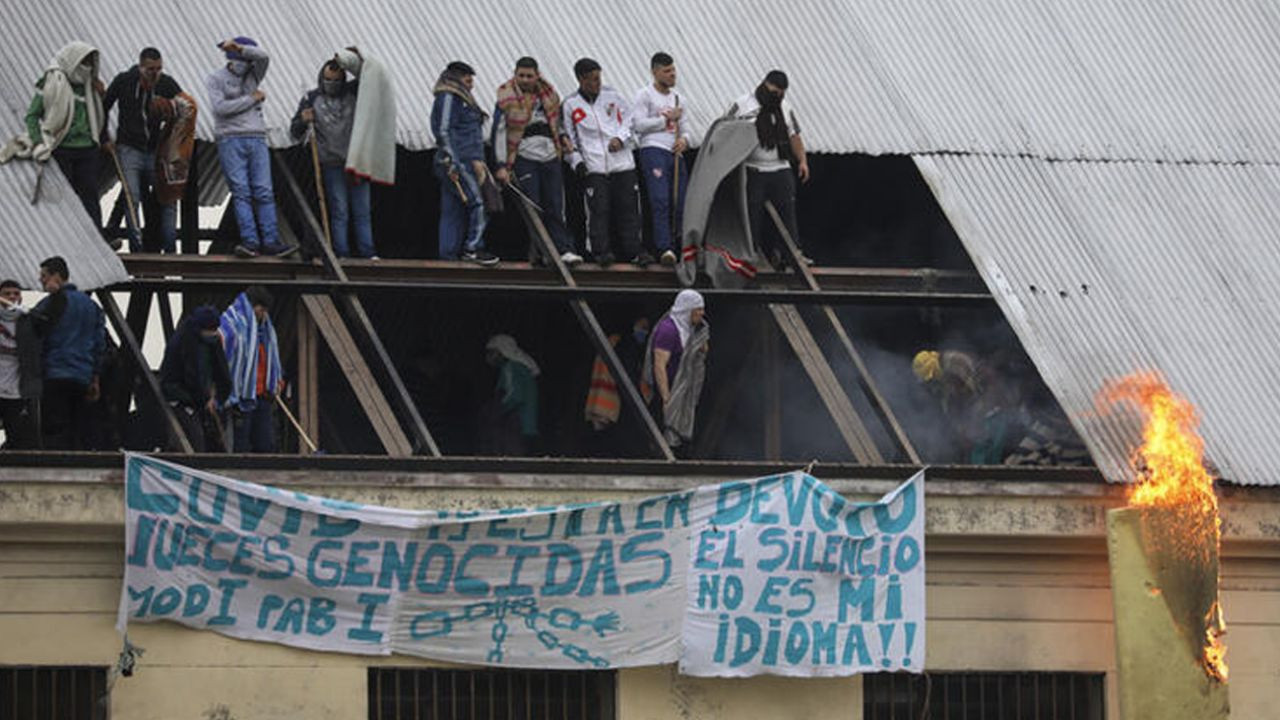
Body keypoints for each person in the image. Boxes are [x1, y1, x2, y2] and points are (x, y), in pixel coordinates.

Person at [8, 42, 113, 247]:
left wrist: (102, 96)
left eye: (90, 62)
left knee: (90, 195)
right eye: (83, 62)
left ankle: (97, 241)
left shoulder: (90, 86)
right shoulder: (52, 83)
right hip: (62, 148)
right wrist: (38, 142)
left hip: (87, 149)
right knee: (66, 196)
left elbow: (99, 117)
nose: (87, 67)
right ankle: (64, 240)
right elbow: (32, 116)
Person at [207, 37, 294, 259]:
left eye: (246, 60)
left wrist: (240, 48)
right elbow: (220, 109)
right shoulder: (216, 79)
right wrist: (252, 99)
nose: (243, 64)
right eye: (239, 59)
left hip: (256, 137)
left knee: (264, 191)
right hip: (230, 138)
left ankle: (271, 241)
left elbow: (264, 56)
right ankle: (250, 241)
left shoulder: (253, 74)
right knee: (242, 192)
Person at [491, 57, 581, 266]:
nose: (525, 79)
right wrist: (501, 165)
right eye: (521, 75)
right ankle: (542, 250)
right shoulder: (506, 97)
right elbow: (499, 133)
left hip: (550, 154)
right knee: (534, 204)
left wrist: (563, 138)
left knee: (555, 203)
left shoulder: (548, 96)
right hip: (524, 155)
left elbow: (555, 122)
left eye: (529, 75)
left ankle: (563, 248)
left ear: (537, 75)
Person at [562, 58, 649, 267]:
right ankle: (600, 252)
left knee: (629, 209)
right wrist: (577, 162)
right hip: (594, 166)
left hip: (622, 163)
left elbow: (631, 120)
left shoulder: (614, 96)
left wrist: (620, 137)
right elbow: (567, 139)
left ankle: (635, 251)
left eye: (599, 78)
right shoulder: (570, 104)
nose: (597, 83)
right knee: (597, 211)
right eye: (592, 79)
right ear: (581, 79)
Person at [290, 58, 375, 259]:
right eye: (328, 80)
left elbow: (370, 76)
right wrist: (303, 119)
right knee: (340, 212)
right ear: (322, 78)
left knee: (362, 211)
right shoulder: (311, 98)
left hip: (357, 161)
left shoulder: (354, 92)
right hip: (331, 163)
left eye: (337, 80)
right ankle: (341, 253)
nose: (332, 84)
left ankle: (368, 253)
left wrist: (350, 59)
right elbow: (294, 131)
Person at [103, 47, 185, 253]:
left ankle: (169, 246)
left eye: (158, 69)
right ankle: (136, 246)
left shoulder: (166, 83)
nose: (155, 73)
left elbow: (186, 108)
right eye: (150, 69)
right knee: (133, 196)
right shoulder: (124, 80)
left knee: (166, 195)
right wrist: (104, 137)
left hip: (155, 150)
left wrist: (170, 115)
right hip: (129, 147)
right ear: (140, 67)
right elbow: (104, 107)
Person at [729, 70, 812, 268]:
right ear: (765, 85)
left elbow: (794, 135)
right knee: (752, 213)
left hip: (780, 166)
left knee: (787, 212)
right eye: (774, 92)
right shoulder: (743, 105)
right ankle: (752, 252)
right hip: (753, 168)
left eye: (781, 93)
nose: (778, 97)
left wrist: (802, 161)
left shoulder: (785, 107)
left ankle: (790, 254)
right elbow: (725, 131)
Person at [30, 257, 106, 450]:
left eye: (44, 276)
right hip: (83, 375)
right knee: (78, 429)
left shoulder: (50, 304)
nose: (41, 281)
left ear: (56, 276)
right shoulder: (92, 307)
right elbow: (99, 345)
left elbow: (35, 335)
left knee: (55, 430)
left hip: (56, 372)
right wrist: (95, 377)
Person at [431, 61, 498, 265]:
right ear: (458, 77)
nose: (471, 84)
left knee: (453, 209)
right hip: (458, 161)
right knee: (478, 202)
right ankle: (473, 248)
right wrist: (452, 161)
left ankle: (448, 254)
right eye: (468, 78)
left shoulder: (459, 98)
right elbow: (443, 130)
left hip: (465, 160)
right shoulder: (450, 96)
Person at [633, 52, 691, 267]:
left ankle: (681, 244)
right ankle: (663, 246)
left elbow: (686, 129)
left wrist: (684, 140)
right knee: (660, 200)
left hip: (674, 152)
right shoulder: (644, 95)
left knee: (680, 200)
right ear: (655, 71)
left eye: (673, 70)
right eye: (667, 71)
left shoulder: (679, 98)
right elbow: (638, 125)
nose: (672, 74)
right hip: (653, 149)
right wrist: (665, 119)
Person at [912, 349, 1012, 464]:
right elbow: (952, 403)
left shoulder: (955, 367)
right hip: (978, 414)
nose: (931, 384)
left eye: (931, 380)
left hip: (990, 413)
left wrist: (968, 428)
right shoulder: (943, 377)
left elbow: (967, 398)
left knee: (985, 453)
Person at [220, 286, 283, 453]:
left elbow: (272, 362)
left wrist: (276, 381)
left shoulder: (265, 333)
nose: (264, 315)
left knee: (265, 445)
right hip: (241, 399)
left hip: (262, 396)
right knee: (241, 445)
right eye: (262, 310)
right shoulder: (233, 326)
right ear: (255, 307)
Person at [643, 289, 709, 449]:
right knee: (662, 432)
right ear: (687, 310)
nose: (702, 313)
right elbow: (659, 366)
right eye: (698, 309)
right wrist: (667, 398)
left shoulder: (695, 329)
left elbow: (700, 348)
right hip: (668, 391)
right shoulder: (668, 330)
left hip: (685, 389)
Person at [159, 305, 231, 452]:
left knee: (212, 440)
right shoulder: (183, 342)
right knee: (195, 442)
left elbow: (222, 372)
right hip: (182, 398)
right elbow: (191, 375)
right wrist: (205, 399)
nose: (213, 333)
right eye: (210, 330)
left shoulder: (211, 340)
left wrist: (218, 397)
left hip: (201, 398)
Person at [0, 280, 41, 449]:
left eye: (16, 293)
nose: (12, 297)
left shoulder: (28, 322)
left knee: (16, 437)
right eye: (7, 294)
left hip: (17, 391)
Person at [485, 335, 540, 456]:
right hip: (526, 426)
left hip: (516, 423)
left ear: (502, 352)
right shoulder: (521, 369)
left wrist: (496, 414)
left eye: (492, 353)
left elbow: (515, 397)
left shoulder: (511, 368)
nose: (488, 357)